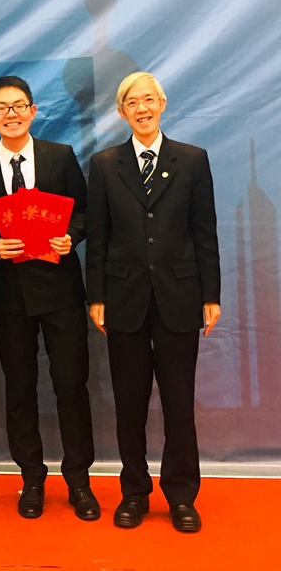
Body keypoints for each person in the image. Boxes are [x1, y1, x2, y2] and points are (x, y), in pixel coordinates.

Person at [86, 72, 220, 533]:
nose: (141, 108)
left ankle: (181, 495)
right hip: (123, 299)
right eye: (131, 102)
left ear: (162, 104)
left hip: (180, 297)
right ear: (121, 111)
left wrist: (211, 295)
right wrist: (96, 296)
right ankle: (134, 493)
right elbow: (97, 238)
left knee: (179, 403)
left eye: (148, 100)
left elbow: (205, 232)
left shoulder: (192, 159)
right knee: (130, 403)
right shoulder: (105, 164)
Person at [0, 76, 98, 522]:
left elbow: (84, 212)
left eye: (19, 106)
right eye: (2, 108)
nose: (12, 114)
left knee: (71, 385)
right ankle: (32, 479)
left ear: (33, 111)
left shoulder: (60, 156)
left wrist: (70, 236)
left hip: (60, 291)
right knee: (19, 389)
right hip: (8, 296)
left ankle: (79, 481)